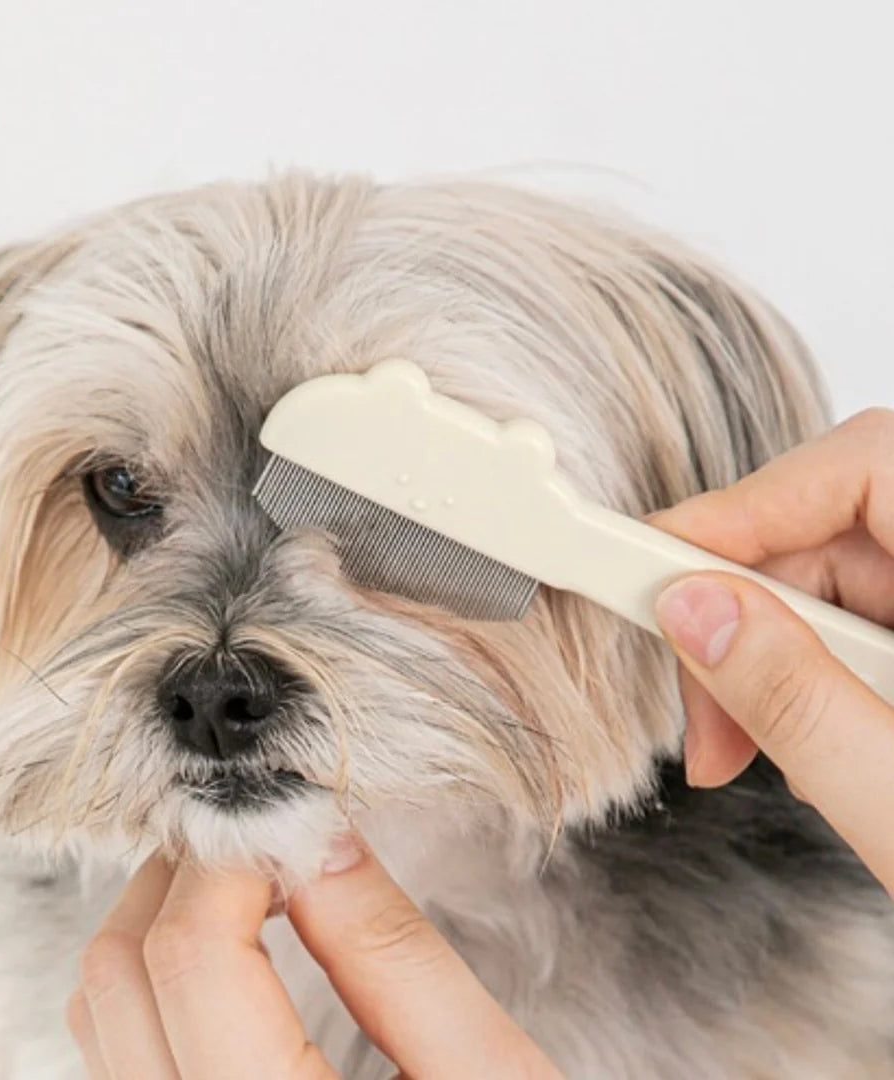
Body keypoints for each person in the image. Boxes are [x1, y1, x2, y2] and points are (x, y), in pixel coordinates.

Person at [67, 408, 894, 1080]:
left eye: (388, 515)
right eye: (125, 490)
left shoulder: (821, 1011)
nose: (221, 683)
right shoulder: (42, 1000)